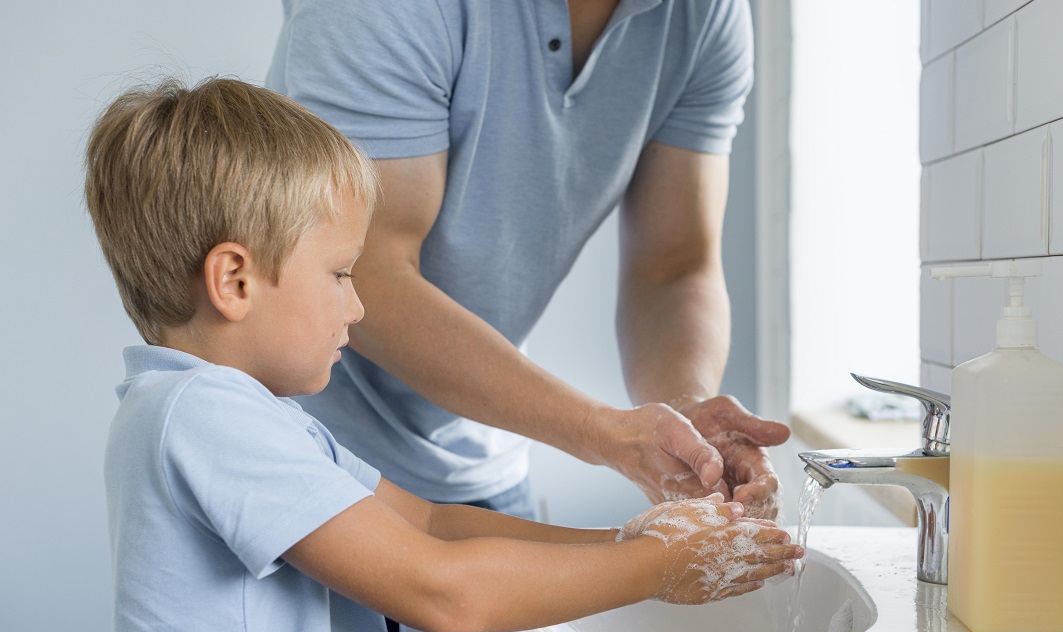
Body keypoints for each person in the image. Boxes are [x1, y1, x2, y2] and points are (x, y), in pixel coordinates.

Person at [85, 76, 803, 632]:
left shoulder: (252, 417)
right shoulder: (202, 416)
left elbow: (431, 524)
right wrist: (659, 568)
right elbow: (441, 589)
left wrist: (636, 540)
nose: (358, 307)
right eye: (340, 273)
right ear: (235, 282)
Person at [266, 0, 790, 523]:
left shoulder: (705, 15)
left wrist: (687, 419)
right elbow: (370, 275)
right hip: (302, 445)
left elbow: (673, 267)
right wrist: (607, 434)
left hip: (484, 457)